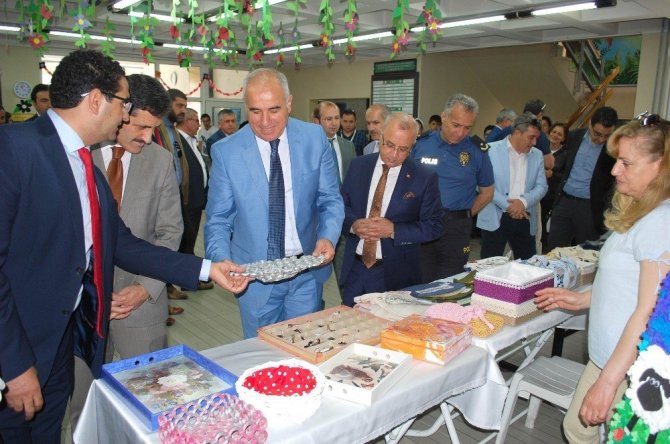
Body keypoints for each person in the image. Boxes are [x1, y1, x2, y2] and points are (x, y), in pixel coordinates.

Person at [0, 49, 249, 443]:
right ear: (97, 100)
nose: (125, 113)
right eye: (124, 103)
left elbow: (123, 244)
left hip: (63, 344)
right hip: (21, 350)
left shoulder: (84, 167)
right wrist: (13, 365)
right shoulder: (14, 149)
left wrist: (206, 269)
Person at [535, 115, 670, 443]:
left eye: (626, 163)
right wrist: (584, 298)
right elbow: (628, 284)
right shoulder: (642, 212)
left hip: (630, 365)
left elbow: (651, 311)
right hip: (611, 357)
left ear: (660, 167)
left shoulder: (659, 223)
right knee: (577, 427)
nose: (614, 170)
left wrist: (609, 382)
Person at [70, 73, 184, 431]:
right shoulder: (78, 155)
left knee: (150, 400)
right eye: (141, 126)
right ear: (120, 112)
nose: (148, 137)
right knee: (84, 406)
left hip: (140, 305)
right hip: (82, 308)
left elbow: (170, 232)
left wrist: (144, 288)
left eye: (154, 129)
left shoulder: (159, 161)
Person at [205, 68, 344, 339]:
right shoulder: (226, 152)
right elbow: (218, 219)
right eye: (255, 111)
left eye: (274, 110)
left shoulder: (314, 139)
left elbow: (330, 199)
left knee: (303, 349)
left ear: (289, 103)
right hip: (254, 278)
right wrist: (221, 260)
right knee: (261, 355)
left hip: (305, 271)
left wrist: (328, 236)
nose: (265, 121)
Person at [339, 112, 443, 306]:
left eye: (403, 149)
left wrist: (394, 230)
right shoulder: (358, 166)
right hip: (355, 269)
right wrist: (354, 224)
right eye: (389, 145)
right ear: (380, 137)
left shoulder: (424, 177)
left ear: (413, 146)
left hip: (395, 275)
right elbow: (341, 207)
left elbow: (434, 226)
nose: (394, 155)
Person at [412, 93, 494, 281]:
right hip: (423, 222)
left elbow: (487, 192)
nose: (461, 132)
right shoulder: (422, 144)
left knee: (451, 282)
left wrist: (465, 215)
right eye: (456, 125)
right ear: (444, 117)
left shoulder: (477, 151)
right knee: (421, 280)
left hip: (456, 228)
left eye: (467, 127)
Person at [476, 113, 548, 259]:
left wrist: (523, 202)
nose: (534, 142)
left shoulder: (537, 155)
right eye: (531, 137)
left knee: (528, 264)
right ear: (517, 132)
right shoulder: (490, 150)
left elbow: (542, 186)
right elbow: (481, 184)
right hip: (495, 215)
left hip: (525, 215)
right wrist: (509, 206)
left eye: (536, 138)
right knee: (489, 264)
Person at [548, 107, 619, 249]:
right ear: (590, 123)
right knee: (554, 250)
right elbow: (563, 168)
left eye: (606, 135)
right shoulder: (574, 136)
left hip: (590, 208)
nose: (601, 139)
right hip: (564, 202)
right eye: (597, 134)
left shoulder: (614, 148)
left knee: (587, 253)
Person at [176, 108, 210, 290]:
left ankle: (190, 278)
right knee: (186, 242)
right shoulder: (178, 141)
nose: (198, 124)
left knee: (190, 241)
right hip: (186, 202)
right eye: (196, 120)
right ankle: (188, 280)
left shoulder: (191, 141)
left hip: (196, 201)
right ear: (186, 121)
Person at [541, 122, 569, 252]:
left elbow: (566, 176)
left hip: (553, 197)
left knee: (549, 228)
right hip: (537, 195)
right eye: (554, 132)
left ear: (563, 138)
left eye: (559, 134)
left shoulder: (566, 154)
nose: (555, 135)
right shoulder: (540, 149)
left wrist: (552, 174)